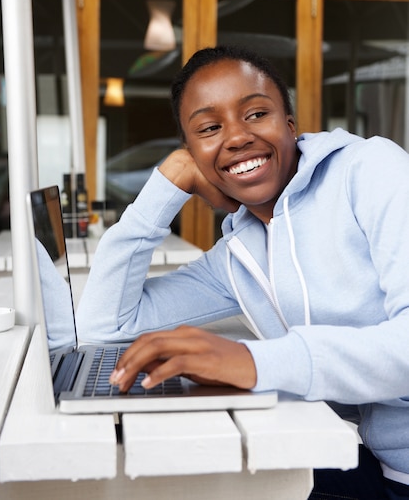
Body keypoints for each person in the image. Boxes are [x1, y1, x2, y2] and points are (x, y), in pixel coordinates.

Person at [76, 45, 409, 500]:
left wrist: (253, 361)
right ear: (193, 152)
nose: (236, 137)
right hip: (380, 464)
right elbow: (103, 325)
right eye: (209, 129)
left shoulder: (371, 170)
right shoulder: (240, 253)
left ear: (289, 126)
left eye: (255, 114)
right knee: (175, 481)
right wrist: (168, 182)